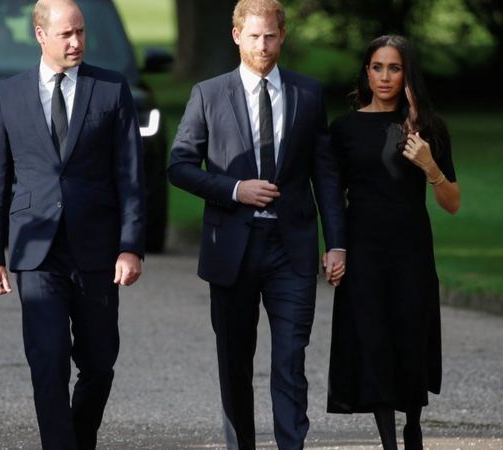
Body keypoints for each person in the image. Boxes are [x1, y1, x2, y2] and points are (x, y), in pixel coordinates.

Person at [167, 0, 346, 448]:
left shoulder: (308, 94)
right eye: (253, 36)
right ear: (236, 36)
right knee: (235, 362)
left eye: (270, 36)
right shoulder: (208, 94)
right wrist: (234, 189)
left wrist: (337, 242)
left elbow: (325, 175)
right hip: (232, 248)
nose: (262, 46)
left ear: (282, 35)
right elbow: (179, 165)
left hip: (293, 248)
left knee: (290, 360)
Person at [0, 0, 145, 448]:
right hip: (37, 251)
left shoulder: (111, 89)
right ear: (40, 35)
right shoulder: (8, 95)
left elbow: (130, 174)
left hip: (98, 249)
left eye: (81, 32)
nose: (76, 42)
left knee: (98, 363)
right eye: (65, 34)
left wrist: (131, 245)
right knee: (47, 360)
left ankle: (78, 437)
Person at [326, 35, 460, 450]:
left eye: (394, 67)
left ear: (407, 74)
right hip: (364, 247)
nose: (385, 76)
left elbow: (452, 202)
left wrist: (429, 165)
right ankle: (388, 440)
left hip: (411, 249)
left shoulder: (428, 127)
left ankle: (413, 423)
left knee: (409, 334)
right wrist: (334, 247)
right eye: (378, 67)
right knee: (372, 337)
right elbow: (333, 197)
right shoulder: (344, 129)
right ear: (366, 72)